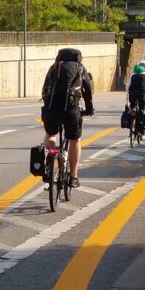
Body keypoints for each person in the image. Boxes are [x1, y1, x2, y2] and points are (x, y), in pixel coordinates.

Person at [41, 47, 95, 188]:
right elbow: (88, 90)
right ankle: (73, 177)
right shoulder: (80, 68)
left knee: (51, 134)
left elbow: (45, 89)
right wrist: (89, 109)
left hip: (51, 109)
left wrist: (48, 107)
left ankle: (48, 164)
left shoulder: (53, 68)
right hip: (71, 109)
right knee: (74, 140)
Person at [127, 61, 145, 133]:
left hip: (132, 94)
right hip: (142, 94)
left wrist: (127, 97)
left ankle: (131, 119)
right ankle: (143, 133)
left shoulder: (133, 74)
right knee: (142, 110)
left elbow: (127, 87)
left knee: (132, 107)